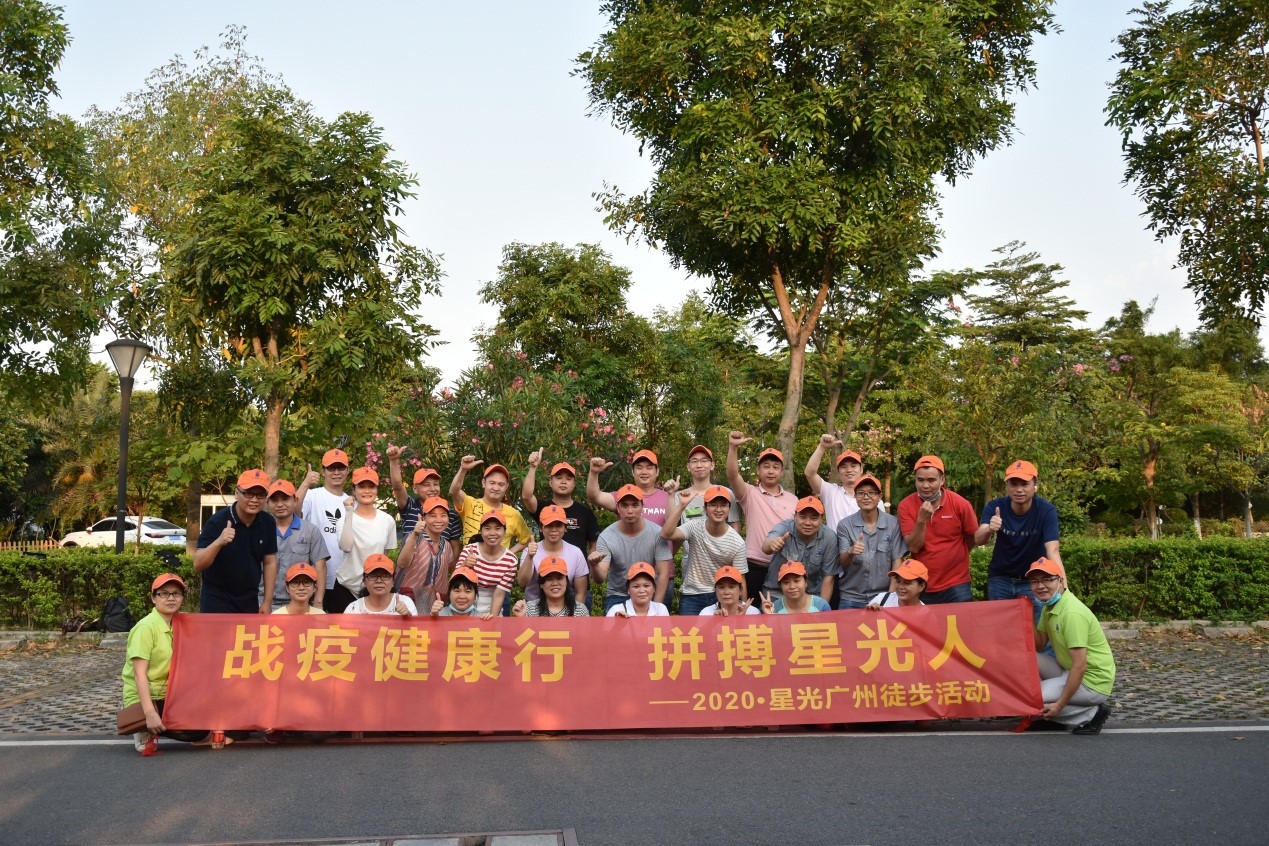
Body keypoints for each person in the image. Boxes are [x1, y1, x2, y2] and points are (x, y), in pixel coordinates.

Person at [122, 574, 212, 752]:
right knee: (199, 731)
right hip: (147, 695)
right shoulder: (145, 628)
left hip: (172, 693)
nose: (171, 598)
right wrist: (149, 713)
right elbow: (139, 674)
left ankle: (155, 722)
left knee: (208, 716)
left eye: (176, 593)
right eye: (164, 593)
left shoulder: (181, 623)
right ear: (153, 598)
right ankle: (142, 723)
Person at [1028, 558, 1114, 734]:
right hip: (1069, 670)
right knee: (1028, 659)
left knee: (1031, 699)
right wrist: (1027, 617)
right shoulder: (1049, 606)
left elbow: (1080, 666)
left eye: (1047, 579)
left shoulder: (1072, 613)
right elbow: (1039, 646)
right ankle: (1054, 718)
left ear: (1060, 581)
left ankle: (1092, 714)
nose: (1040, 586)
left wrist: (1059, 705)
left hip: (1092, 682)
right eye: (1035, 581)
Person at [975, 459, 1062, 619]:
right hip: (1000, 578)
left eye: (1025, 484)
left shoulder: (1046, 510)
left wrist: (1063, 588)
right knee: (1000, 627)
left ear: (1035, 485)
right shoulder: (995, 507)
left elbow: (1053, 550)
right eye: (1013, 484)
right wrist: (989, 528)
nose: (1019, 490)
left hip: (1034, 579)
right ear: (1007, 486)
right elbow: (978, 539)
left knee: (1040, 627)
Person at [725, 431, 798, 606]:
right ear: (758, 470)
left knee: (779, 614)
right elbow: (732, 475)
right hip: (754, 565)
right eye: (766, 466)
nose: (770, 471)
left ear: (781, 471)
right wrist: (733, 447)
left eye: (775, 467)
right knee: (750, 612)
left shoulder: (793, 500)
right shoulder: (749, 493)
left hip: (783, 566)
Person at [896, 455, 979, 604]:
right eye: (920, 480)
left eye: (931, 480)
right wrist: (921, 520)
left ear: (942, 480)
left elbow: (972, 538)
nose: (925, 485)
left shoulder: (960, 504)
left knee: (961, 619)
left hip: (957, 582)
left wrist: (955, 555)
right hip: (922, 582)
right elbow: (914, 547)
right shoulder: (906, 506)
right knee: (925, 620)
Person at [194, 468, 277, 614]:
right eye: (248, 493)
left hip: (249, 600)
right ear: (236, 493)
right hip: (217, 600)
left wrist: (267, 602)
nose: (254, 500)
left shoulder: (268, 522)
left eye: (260, 495)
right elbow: (198, 564)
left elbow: (270, 562)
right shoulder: (217, 521)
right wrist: (219, 542)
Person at [660, 483, 747, 616]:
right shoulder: (694, 527)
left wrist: (742, 605)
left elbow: (740, 578)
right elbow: (666, 534)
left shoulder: (737, 542)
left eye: (723, 505)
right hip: (692, 595)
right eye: (713, 505)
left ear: (729, 509)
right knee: (690, 630)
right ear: (705, 508)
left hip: (719, 595)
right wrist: (682, 506)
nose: (718, 509)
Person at [591, 484, 674, 612]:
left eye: (635, 505)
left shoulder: (657, 533)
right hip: (618, 593)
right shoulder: (606, 537)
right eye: (625, 505)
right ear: (617, 507)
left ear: (642, 506)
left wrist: (656, 608)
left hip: (647, 592)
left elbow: (663, 573)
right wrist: (594, 566)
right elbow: (600, 578)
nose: (630, 511)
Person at [329, 467, 397, 612]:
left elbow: (385, 556)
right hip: (346, 587)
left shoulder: (387, 520)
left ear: (377, 490)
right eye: (361, 487)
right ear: (354, 490)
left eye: (371, 486)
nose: (367, 491)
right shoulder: (344, 519)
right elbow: (346, 546)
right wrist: (348, 513)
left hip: (375, 589)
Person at [837, 474, 909, 608]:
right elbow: (843, 562)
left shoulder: (893, 524)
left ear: (879, 496)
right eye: (861, 493)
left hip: (882, 595)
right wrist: (850, 551)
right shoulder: (844, 525)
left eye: (871, 493)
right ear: (855, 496)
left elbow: (897, 562)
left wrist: (889, 597)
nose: (866, 497)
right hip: (851, 596)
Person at [298, 448, 353, 612]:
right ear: (323, 471)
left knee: (340, 626)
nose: (336, 472)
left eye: (340, 467)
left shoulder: (353, 502)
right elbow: (293, 512)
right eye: (331, 468)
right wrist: (305, 483)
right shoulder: (312, 495)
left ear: (347, 470)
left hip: (345, 581)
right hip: (314, 579)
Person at [262, 479, 329, 610]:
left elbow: (320, 567)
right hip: (262, 602)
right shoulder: (260, 529)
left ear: (295, 501)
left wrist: (318, 602)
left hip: (299, 603)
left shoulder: (310, 530)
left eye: (285, 499)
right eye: (274, 500)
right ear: (267, 502)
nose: (280, 504)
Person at [762, 496, 840, 605]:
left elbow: (828, 577)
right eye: (803, 517)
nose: (807, 523)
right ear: (795, 516)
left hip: (811, 596)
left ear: (821, 519)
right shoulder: (784, 527)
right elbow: (765, 547)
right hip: (777, 594)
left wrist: (822, 607)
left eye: (814, 518)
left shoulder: (829, 537)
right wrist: (773, 544)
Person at [521, 448, 600, 556]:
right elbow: (526, 496)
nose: (563, 482)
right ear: (550, 482)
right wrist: (533, 467)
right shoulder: (543, 507)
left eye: (568, 479)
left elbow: (593, 544)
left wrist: (591, 563)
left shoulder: (585, 512)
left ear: (574, 484)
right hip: (547, 565)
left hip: (577, 566)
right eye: (559, 478)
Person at [386, 446, 463, 555]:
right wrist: (393, 461)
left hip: (440, 564)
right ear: (415, 489)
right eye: (426, 485)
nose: (432, 489)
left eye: (435, 484)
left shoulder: (449, 512)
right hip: (411, 564)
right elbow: (398, 486)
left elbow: (455, 547)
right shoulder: (409, 506)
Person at [449, 456, 532, 554]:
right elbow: (454, 491)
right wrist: (463, 470)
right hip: (470, 562)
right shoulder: (470, 504)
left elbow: (527, 539)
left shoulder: (514, 514)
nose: (496, 488)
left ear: (506, 486)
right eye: (492, 483)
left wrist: (508, 554)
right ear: (483, 483)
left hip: (498, 564)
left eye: (501, 484)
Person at [396, 495, 458, 614]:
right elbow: (402, 563)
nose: (438, 520)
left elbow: (450, 569)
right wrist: (415, 534)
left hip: (435, 604)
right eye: (433, 515)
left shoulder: (447, 545)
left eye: (443, 515)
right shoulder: (413, 537)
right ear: (423, 518)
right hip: (408, 602)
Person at [518, 504, 589, 604]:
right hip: (533, 607)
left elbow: (580, 593)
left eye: (558, 525)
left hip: (566, 607)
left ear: (565, 528)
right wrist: (530, 557)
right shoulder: (529, 551)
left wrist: (575, 612)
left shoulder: (576, 552)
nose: (554, 529)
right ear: (541, 528)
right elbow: (522, 583)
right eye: (549, 525)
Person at [455, 511, 518, 619]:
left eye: (497, 528)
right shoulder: (469, 550)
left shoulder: (511, 560)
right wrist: (465, 565)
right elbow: (455, 582)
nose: (492, 533)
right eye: (487, 528)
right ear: (481, 531)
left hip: (492, 606)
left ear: (504, 532)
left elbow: (499, 593)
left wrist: (492, 618)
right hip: (465, 604)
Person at [586, 449, 670, 527]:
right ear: (633, 472)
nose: (644, 472)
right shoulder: (622, 496)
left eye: (649, 468)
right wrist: (594, 473)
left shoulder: (669, 498)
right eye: (639, 467)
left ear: (657, 471)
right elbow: (594, 497)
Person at [803, 433, 867, 531]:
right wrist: (822, 447)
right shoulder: (831, 492)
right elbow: (810, 473)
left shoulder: (872, 499)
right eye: (844, 467)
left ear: (861, 469)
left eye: (853, 466)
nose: (849, 470)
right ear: (838, 472)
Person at [512, 556, 590, 617]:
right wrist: (522, 619)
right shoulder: (529, 609)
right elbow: (524, 633)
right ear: (541, 584)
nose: (555, 583)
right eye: (549, 579)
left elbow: (585, 633)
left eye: (559, 578)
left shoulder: (580, 610)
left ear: (567, 581)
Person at [345, 554, 417, 617]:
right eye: (373, 576)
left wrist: (407, 616)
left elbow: (417, 627)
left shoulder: (406, 602)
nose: (379, 581)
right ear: (364, 582)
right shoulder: (353, 609)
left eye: (385, 576)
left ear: (393, 581)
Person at [761, 561, 832, 613]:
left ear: (806, 583)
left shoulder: (821, 605)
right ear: (780, 586)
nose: (792, 586)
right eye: (786, 582)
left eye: (796, 581)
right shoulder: (775, 608)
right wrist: (770, 616)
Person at [604, 562, 670, 617]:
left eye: (646, 586)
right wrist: (617, 624)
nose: (642, 591)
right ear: (628, 589)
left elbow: (667, 629)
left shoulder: (660, 609)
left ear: (654, 588)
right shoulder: (616, 610)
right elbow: (606, 629)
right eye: (636, 586)